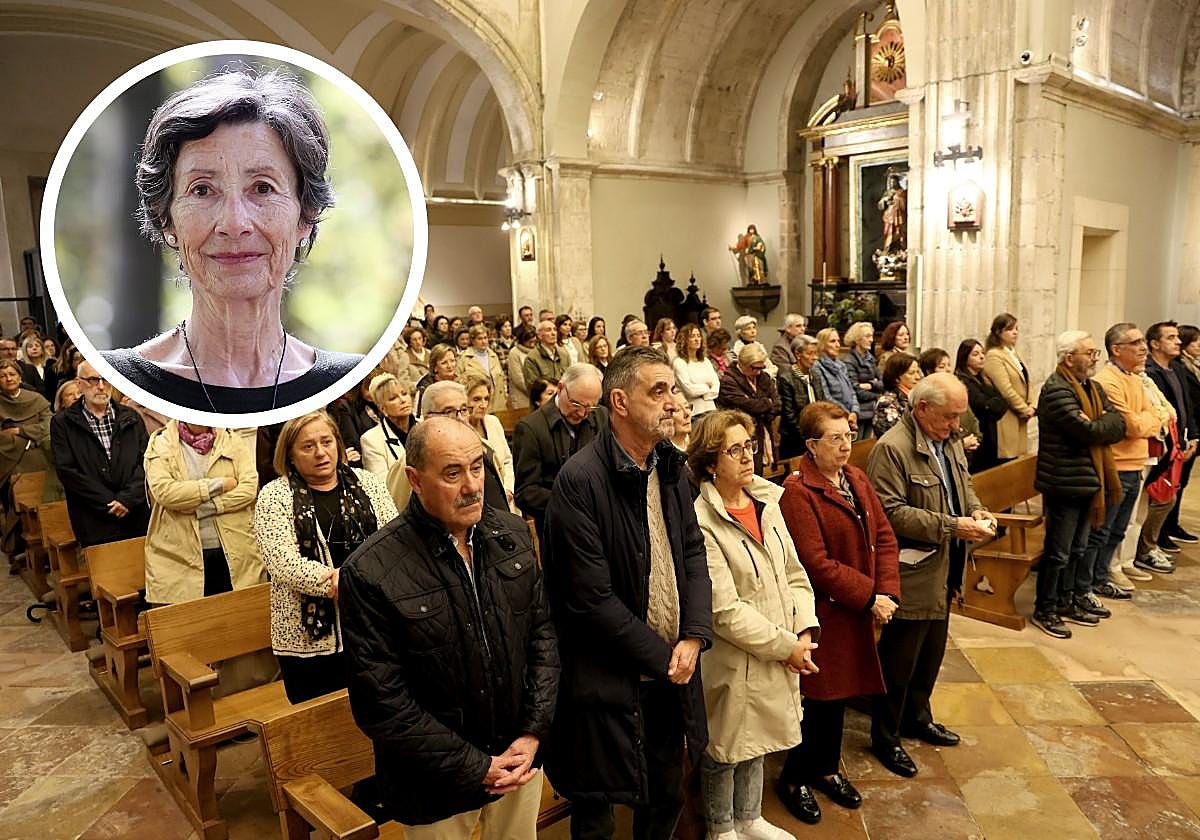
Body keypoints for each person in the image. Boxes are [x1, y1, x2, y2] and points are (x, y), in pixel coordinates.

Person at [339, 417, 559, 835]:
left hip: (519, 761)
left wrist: (533, 733)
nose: (472, 486)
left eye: (477, 467)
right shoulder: (371, 571)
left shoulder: (510, 534)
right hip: (435, 785)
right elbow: (382, 702)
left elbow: (543, 640)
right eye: (453, 474)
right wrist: (476, 766)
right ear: (415, 480)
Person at [101, 68, 361, 412]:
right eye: (202, 190)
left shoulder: (351, 381)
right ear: (166, 219)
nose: (234, 224)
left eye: (263, 188)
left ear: (306, 215)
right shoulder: (113, 380)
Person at [542, 346, 712, 840]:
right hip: (606, 676)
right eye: (657, 391)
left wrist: (695, 635)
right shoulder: (580, 480)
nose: (672, 402)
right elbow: (589, 599)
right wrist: (666, 657)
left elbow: (692, 552)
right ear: (619, 401)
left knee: (666, 795)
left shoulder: (669, 465)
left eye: (672, 389)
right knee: (598, 808)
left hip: (670, 667)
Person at [688, 410, 819, 838]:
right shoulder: (701, 520)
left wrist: (804, 632)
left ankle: (749, 817)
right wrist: (787, 646)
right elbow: (724, 610)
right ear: (711, 462)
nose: (748, 456)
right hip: (736, 657)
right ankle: (722, 827)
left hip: (781, 645)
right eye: (735, 450)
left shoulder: (768, 503)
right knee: (727, 746)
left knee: (761, 737)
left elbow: (795, 574)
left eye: (750, 446)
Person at [866, 373, 996, 778]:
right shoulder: (893, 449)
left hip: (946, 565)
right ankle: (886, 737)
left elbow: (963, 485)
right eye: (949, 416)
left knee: (930, 656)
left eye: (959, 416)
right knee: (899, 663)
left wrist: (975, 510)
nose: (956, 425)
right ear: (922, 408)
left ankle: (917, 718)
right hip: (912, 571)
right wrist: (953, 526)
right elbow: (889, 513)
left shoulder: (948, 440)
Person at [777, 401, 899, 821]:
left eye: (849, 434)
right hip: (825, 613)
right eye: (835, 438)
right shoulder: (798, 492)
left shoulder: (856, 478)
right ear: (812, 445)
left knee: (842, 695)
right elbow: (816, 563)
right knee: (819, 699)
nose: (846, 445)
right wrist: (870, 596)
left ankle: (827, 769)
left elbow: (884, 536)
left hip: (858, 606)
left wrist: (888, 591)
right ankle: (793, 778)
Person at [253, 410, 397, 704]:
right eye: (308, 446)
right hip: (308, 641)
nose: (320, 452)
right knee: (321, 724)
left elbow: (392, 542)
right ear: (290, 454)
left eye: (327, 442)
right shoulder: (274, 496)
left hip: (373, 626)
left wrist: (359, 582)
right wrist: (340, 582)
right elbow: (282, 562)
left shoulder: (369, 483)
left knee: (379, 710)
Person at [1031, 331, 1126, 638]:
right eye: (1090, 353)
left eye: (1096, 352)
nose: (1095, 358)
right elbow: (1088, 433)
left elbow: (1118, 424)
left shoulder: (1092, 388)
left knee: (1078, 548)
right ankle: (1045, 608)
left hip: (1088, 481)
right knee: (1058, 552)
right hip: (1064, 482)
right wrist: (1099, 424)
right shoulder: (1056, 390)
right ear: (1069, 358)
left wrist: (1098, 422)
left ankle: (1066, 600)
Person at [1083, 323, 1173, 597]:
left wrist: (1150, 419)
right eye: (1135, 343)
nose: (1143, 347)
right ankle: (1090, 582)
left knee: (1119, 530)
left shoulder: (1134, 377)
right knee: (1102, 529)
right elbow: (1132, 426)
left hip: (1136, 462)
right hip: (1117, 465)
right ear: (1116, 349)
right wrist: (1151, 419)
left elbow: (1161, 413)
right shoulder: (1108, 381)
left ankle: (1101, 577)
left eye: (1142, 341)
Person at [143, 420, 264, 603]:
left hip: (236, 553)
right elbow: (165, 492)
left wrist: (204, 507)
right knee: (192, 619)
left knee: (238, 615)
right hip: (180, 557)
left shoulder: (231, 439)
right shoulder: (161, 443)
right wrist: (219, 485)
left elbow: (249, 489)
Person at [50, 361, 150, 547]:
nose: (101, 386)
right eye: (93, 380)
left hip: (136, 515)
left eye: (106, 379)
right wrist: (108, 502)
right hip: (93, 520)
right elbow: (67, 471)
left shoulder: (131, 417)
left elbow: (146, 461)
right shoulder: (63, 423)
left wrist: (127, 499)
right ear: (79, 384)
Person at [513, 364, 607, 537]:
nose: (582, 413)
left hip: (601, 525)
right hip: (558, 530)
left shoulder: (602, 416)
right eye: (576, 404)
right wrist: (571, 503)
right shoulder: (531, 428)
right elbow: (525, 493)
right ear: (560, 388)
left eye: (591, 407)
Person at [398, 381, 510, 516]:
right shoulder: (413, 461)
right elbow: (399, 510)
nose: (460, 418)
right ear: (427, 417)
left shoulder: (485, 448)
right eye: (449, 412)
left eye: (463, 410)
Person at [1144, 321, 1198, 555]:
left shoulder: (1176, 368)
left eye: (1178, 337)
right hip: (1163, 446)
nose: (1178, 342)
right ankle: (1151, 542)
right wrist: (1174, 445)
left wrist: (1193, 436)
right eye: (1171, 337)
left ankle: (1162, 533)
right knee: (1158, 495)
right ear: (1155, 344)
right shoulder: (1149, 372)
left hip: (1180, 442)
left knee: (1173, 490)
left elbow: (1186, 407)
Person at [716, 343, 780, 475]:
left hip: (764, 430)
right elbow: (746, 406)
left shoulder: (763, 377)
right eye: (754, 368)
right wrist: (767, 403)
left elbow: (777, 404)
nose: (758, 372)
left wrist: (765, 409)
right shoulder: (728, 381)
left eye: (761, 368)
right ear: (743, 364)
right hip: (741, 432)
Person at [982, 313, 1035, 460]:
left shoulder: (1014, 354)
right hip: (1008, 415)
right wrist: (1024, 409)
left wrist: (1032, 405)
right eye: (1010, 329)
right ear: (998, 332)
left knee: (1021, 459)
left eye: (1016, 329)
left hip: (1022, 416)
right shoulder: (994, 355)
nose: (1015, 332)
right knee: (1009, 459)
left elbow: (1027, 381)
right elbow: (1005, 388)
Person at [955, 339, 1008, 472]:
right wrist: (991, 406)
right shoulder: (963, 381)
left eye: (982, 353)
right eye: (975, 354)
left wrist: (992, 406)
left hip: (990, 433)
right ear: (965, 358)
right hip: (977, 437)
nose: (982, 357)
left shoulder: (984, 379)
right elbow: (982, 405)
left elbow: (1002, 402)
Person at [465, 375, 516, 510]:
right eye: (476, 399)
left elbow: (507, 460)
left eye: (486, 399)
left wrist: (509, 489)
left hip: (508, 497)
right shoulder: (462, 430)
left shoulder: (493, 422)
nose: (483, 405)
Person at [0, 359, 51, 487]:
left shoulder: (36, 399)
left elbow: (50, 426)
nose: (9, 379)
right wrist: (29, 439)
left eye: (12, 374)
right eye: (3, 376)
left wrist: (20, 431)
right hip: (6, 462)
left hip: (39, 459)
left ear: (20, 377)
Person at [359, 373, 415, 482]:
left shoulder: (426, 426)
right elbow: (380, 485)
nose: (403, 400)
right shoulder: (371, 440)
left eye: (404, 394)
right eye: (393, 398)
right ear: (382, 409)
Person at [777, 335, 825, 459]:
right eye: (810, 353)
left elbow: (823, 404)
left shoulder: (815, 376)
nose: (815, 357)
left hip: (815, 435)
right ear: (798, 354)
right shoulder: (786, 378)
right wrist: (808, 434)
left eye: (816, 353)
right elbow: (789, 415)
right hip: (794, 440)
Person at [812, 328, 859, 427]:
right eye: (833, 341)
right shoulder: (817, 366)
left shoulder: (841, 365)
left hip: (850, 416)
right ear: (822, 344)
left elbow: (851, 391)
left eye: (838, 341)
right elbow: (826, 396)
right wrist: (846, 413)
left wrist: (855, 411)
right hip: (832, 418)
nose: (837, 345)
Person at [673, 323, 720, 418]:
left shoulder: (705, 361)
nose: (697, 339)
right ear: (684, 340)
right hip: (694, 412)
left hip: (711, 408)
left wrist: (704, 395)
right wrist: (707, 387)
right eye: (692, 336)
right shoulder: (679, 362)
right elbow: (689, 390)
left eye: (698, 336)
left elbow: (716, 386)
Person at [842, 322, 881, 437]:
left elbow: (883, 382)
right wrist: (877, 395)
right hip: (859, 412)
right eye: (867, 336)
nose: (871, 340)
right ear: (857, 339)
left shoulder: (871, 359)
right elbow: (855, 389)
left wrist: (871, 385)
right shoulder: (849, 361)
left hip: (871, 411)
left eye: (872, 336)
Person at [458, 325, 508, 413]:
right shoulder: (464, 358)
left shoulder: (493, 356)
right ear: (472, 340)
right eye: (480, 339)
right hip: (477, 406)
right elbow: (459, 383)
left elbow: (502, 378)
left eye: (485, 338)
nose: (484, 341)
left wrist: (505, 394)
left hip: (498, 404)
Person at [872, 352, 920, 438]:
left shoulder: (917, 397)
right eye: (911, 373)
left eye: (917, 372)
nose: (917, 377)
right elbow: (891, 436)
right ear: (897, 377)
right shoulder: (887, 402)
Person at [415, 344, 459, 414]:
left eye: (452, 361)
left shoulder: (461, 381)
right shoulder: (425, 389)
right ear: (435, 367)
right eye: (444, 363)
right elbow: (419, 416)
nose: (450, 366)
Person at [524, 319, 569, 387]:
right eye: (548, 330)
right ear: (539, 336)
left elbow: (569, 380)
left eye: (555, 330)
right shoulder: (532, 358)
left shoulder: (564, 355)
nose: (553, 333)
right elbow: (532, 387)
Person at [507, 326, 537, 409]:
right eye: (529, 342)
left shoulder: (537, 351)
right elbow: (518, 379)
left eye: (534, 342)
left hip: (537, 395)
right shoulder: (514, 353)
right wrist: (534, 393)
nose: (532, 345)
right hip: (521, 396)